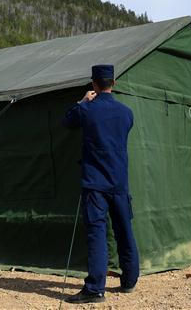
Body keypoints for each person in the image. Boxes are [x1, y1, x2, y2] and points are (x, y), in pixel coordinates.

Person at [62, 65, 139, 305]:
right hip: (119, 183)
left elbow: (68, 121)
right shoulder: (127, 113)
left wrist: (82, 101)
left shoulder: (87, 110)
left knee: (97, 234)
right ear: (113, 83)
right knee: (124, 231)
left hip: (95, 183)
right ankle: (129, 281)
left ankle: (95, 288)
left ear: (94, 84)